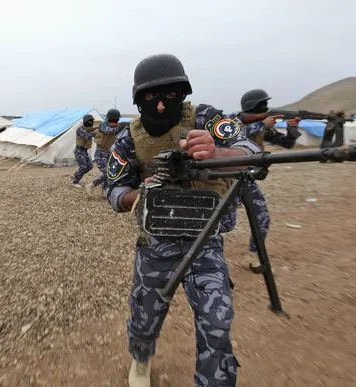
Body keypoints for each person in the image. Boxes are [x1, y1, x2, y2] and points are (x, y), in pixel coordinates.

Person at [106, 53, 261, 387]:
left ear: (184, 94)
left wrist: (218, 153)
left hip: (205, 241)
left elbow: (253, 155)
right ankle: (141, 360)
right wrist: (142, 194)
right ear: (138, 99)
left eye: (171, 96)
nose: (161, 106)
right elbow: (115, 191)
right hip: (156, 242)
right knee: (146, 315)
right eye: (151, 97)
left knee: (217, 325)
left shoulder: (206, 118)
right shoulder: (128, 139)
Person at [234, 89, 301, 266]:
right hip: (226, 177)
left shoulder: (262, 126)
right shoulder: (234, 121)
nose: (265, 107)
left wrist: (292, 129)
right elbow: (232, 134)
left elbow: (287, 144)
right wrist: (261, 124)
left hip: (247, 179)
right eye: (261, 105)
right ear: (252, 107)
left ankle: (253, 255)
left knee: (261, 217)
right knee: (220, 221)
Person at [86, 108, 122, 195]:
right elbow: (109, 131)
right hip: (100, 153)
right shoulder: (103, 125)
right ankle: (92, 184)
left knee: (111, 173)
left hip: (110, 153)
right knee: (108, 173)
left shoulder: (117, 126)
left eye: (116, 120)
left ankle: (105, 191)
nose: (115, 121)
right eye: (114, 119)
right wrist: (121, 126)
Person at [71, 114, 97, 187]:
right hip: (79, 150)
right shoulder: (80, 129)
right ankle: (75, 182)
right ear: (86, 121)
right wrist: (95, 131)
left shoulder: (87, 129)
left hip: (84, 151)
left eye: (92, 121)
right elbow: (86, 136)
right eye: (90, 121)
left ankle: (75, 175)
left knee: (90, 166)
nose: (91, 123)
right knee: (83, 167)